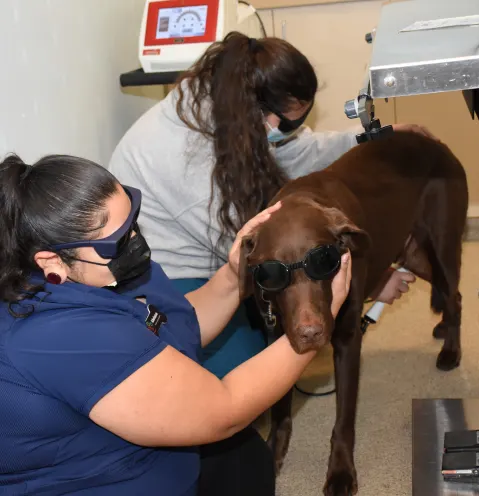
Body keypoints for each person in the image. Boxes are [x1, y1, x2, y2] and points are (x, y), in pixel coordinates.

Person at [0, 153, 352, 495]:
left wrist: (233, 275)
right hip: (101, 481)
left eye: (133, 220)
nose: (135, 241)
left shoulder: (104, 273)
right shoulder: (57, 334)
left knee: (246, 456)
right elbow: (223, 409)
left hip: (154, 456)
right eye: (118, 242)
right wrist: (314, 327)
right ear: (52, 262)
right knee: (235, 434)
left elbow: (178, 324)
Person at [109, 32, 421, 379]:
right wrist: (371, 281)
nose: (288, 131)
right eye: (285, 123)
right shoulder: (181, 155)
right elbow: (254, 254)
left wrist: (369, 136)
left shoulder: (232, 111)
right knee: (250, 373)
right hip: (172, 275)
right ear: (258, 111)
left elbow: (297, 150)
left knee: (286, 330)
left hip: (216, 251)